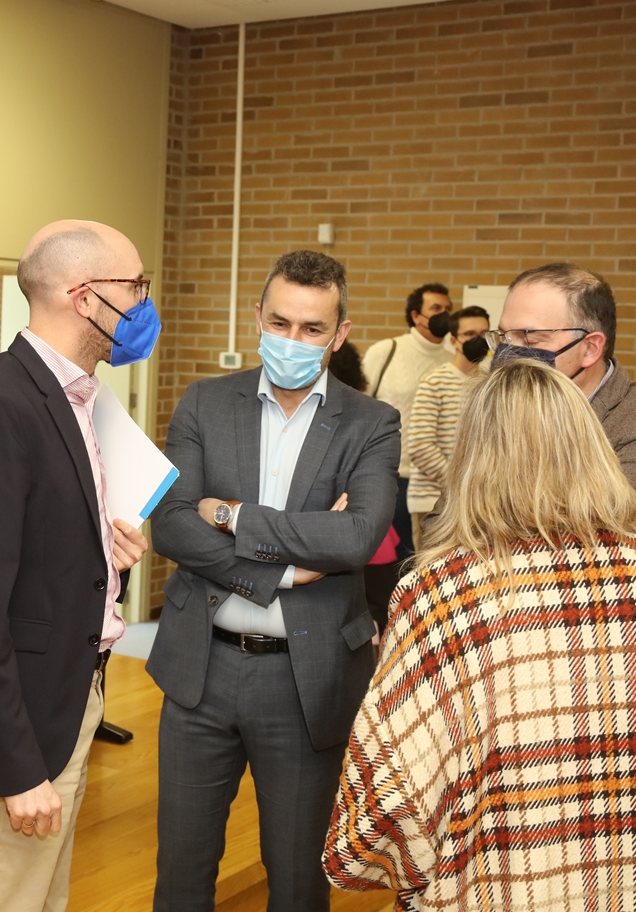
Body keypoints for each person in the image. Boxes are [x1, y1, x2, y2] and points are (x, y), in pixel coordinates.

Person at [326, 360, 636, 910]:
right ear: (591, 449)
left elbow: (386, 803)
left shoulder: (444, 593)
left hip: (491, 888)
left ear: (474, 460)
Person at [149, 250, 399, 912]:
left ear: (339, 334)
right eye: (280, 321)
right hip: (199, 670)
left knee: (295, 878)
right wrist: (286, 567)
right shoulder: (205, 400)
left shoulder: (372, 424)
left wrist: (231, 515)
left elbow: (357, 538)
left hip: (305, 678)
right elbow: (171, 525)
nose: (292, 339)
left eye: (312, 328)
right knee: (180, 869)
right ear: (257, 317)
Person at [0, 220, 153, 912]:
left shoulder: (74, 395)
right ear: (85, 296)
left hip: (68, 695)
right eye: (133, 286)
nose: (142, 303)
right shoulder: (0, 405)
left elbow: (43, 559)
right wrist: (17, 768)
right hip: (19, 729)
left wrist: (111, 563)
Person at [492, 263, 636, 589]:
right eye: (504, 335)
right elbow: (444, 521)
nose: (510, 350)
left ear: (590, 347)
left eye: (530, 336)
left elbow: (594, 547)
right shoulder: (502, 413)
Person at [360, 283, 454, 621]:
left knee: (425, 562)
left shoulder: (452, 360)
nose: (445, 316)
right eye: (437, 310)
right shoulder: (387, 351)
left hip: (435, 482)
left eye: (448, 309)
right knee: (390, 566)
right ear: (416, 315)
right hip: (390, 477)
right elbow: (360, 404)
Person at [404, 306, 489, 532]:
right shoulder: (434, 381)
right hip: (433, 502)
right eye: (470, 334)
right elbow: (420, 446)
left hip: (479, 504)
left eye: (483, 334)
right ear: (453, 341)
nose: (477, 340)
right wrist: (459, 484)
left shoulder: (491, 384)